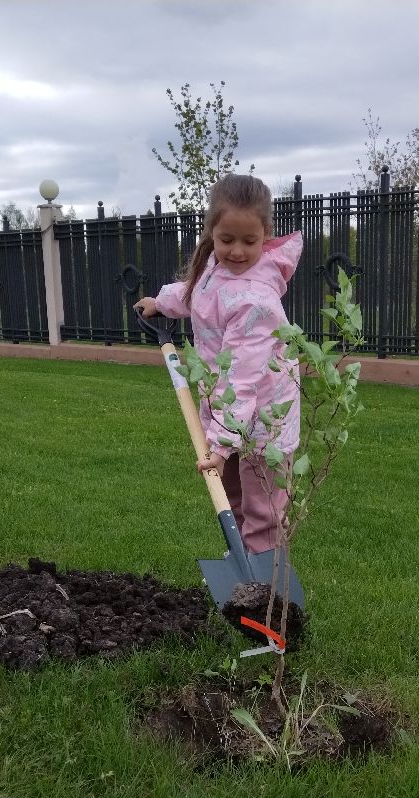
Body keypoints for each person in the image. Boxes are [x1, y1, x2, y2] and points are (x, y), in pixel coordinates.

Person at [136, 174, 303, 556]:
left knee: (262, 509)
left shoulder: (256, 301)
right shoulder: (215, 267)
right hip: (226, 408)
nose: (238, 252)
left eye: (250, 241)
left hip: (263, 418)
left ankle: (265, 585)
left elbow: (242, 376)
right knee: (231, 494)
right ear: (212, 231)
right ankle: (240, 561)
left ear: (266, 233)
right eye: (227, 240)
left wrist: (223, 443)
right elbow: (201, 294)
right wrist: (161, 303)